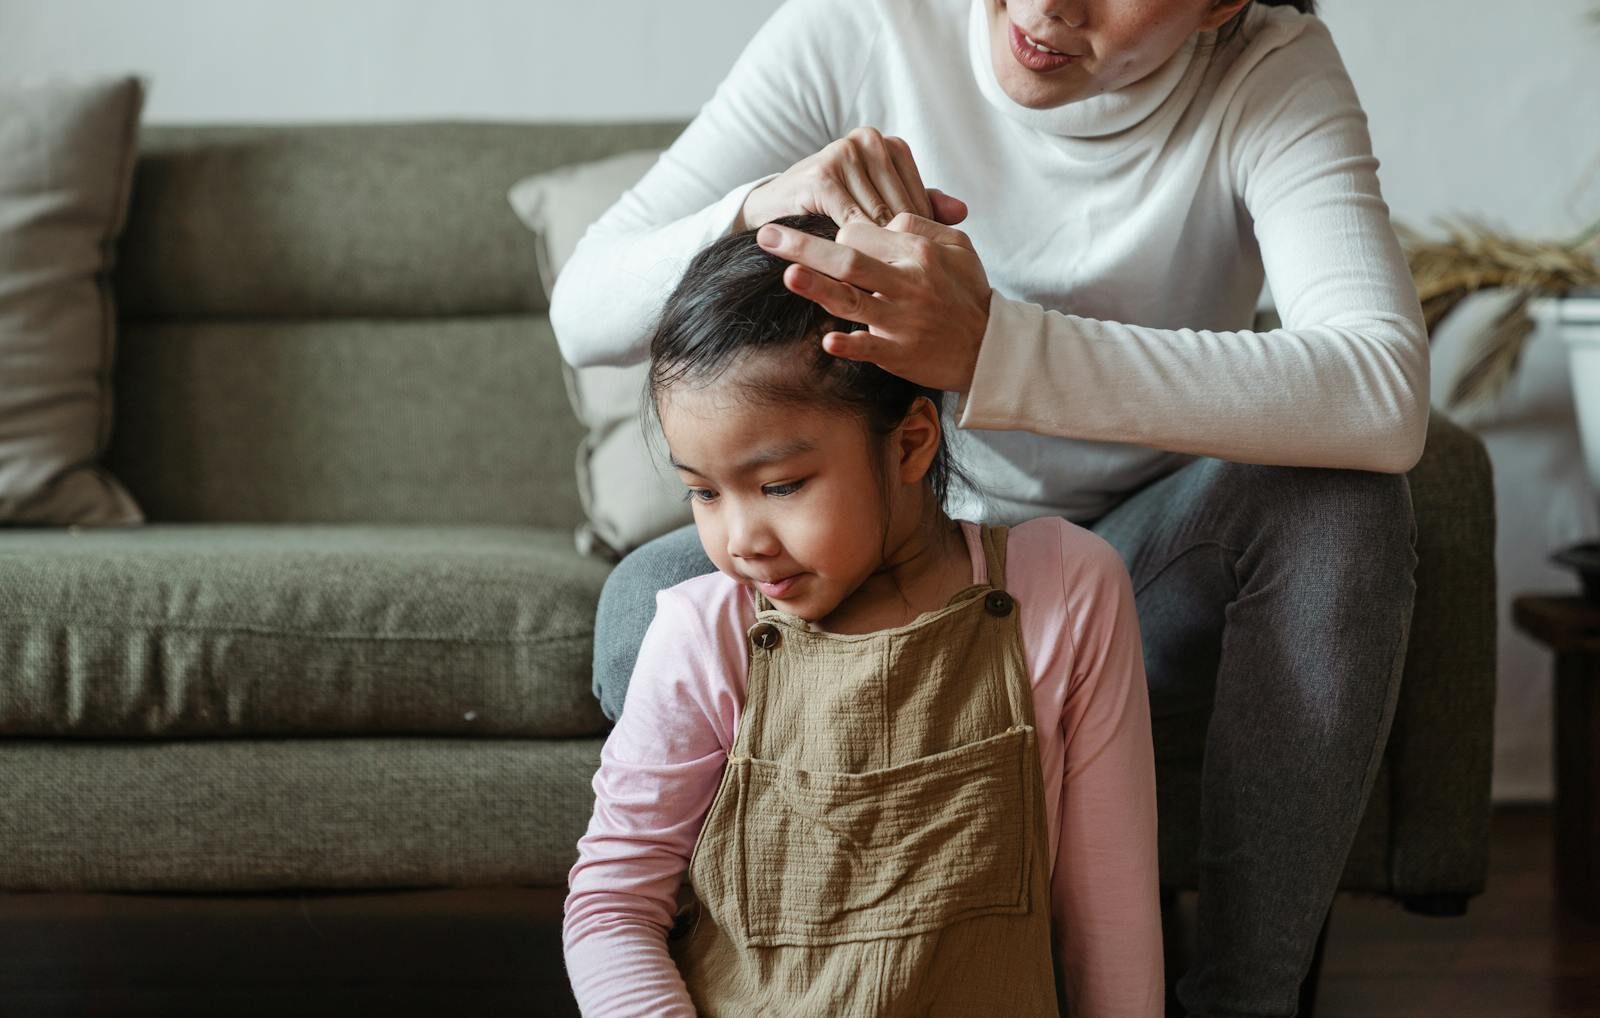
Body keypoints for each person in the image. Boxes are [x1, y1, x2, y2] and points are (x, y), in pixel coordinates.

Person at [551, 0, 1426, 1014]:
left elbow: (1382, 393)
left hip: (1139, 557)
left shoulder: (1266, 71)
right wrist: (761, 200)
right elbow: (585, 311)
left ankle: (1240, 1000)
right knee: (640, 606)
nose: (1049, 5)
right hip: (893, 530)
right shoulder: (861, 26)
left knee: (1346, 509)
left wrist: (995, 350)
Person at [562, 214, 1162, 1016]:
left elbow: (1109, 925)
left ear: (912, 445)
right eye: (703, 492)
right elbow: (611, 907)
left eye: (781, 486)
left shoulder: (1065, 589)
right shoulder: (702, 635)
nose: (740, 540)